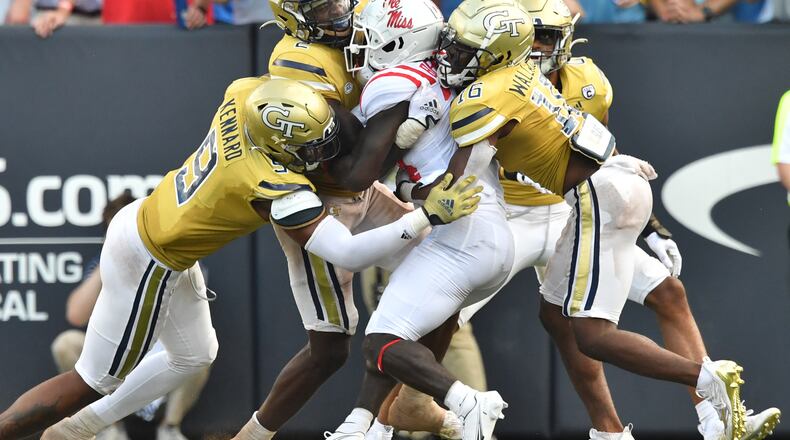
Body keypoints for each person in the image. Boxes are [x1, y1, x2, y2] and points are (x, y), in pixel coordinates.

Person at [0, 76, 479, 440]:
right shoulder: (273, 184)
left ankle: (74, 431)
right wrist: (424, 219)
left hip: (150, 225)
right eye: (310, 147)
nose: (322, 152)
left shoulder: (244, 95)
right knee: (92, 379)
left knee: (194, 353)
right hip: (152, 257)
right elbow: (347, 251)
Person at [436, 1, 753, 440]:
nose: (535, 46)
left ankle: (713, 417)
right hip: (511, 215)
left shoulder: (585, 80)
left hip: (573, 209)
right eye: (530, 35)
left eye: (545, 36)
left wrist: (651, 228)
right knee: (438, 314)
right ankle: (385, 416)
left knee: (655, 296)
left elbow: (604, 154)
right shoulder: (488, 80)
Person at [230, 2, 460, 439]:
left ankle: (413, 401)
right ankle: (253, 436)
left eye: (340, 2)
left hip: (363, 191)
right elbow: (346, 163)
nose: (339, 14)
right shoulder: (299, 60)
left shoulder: (354, 33)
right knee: (330, 349)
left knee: (448, 278)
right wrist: (406, 127)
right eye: (324, 7)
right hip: (322, 202)